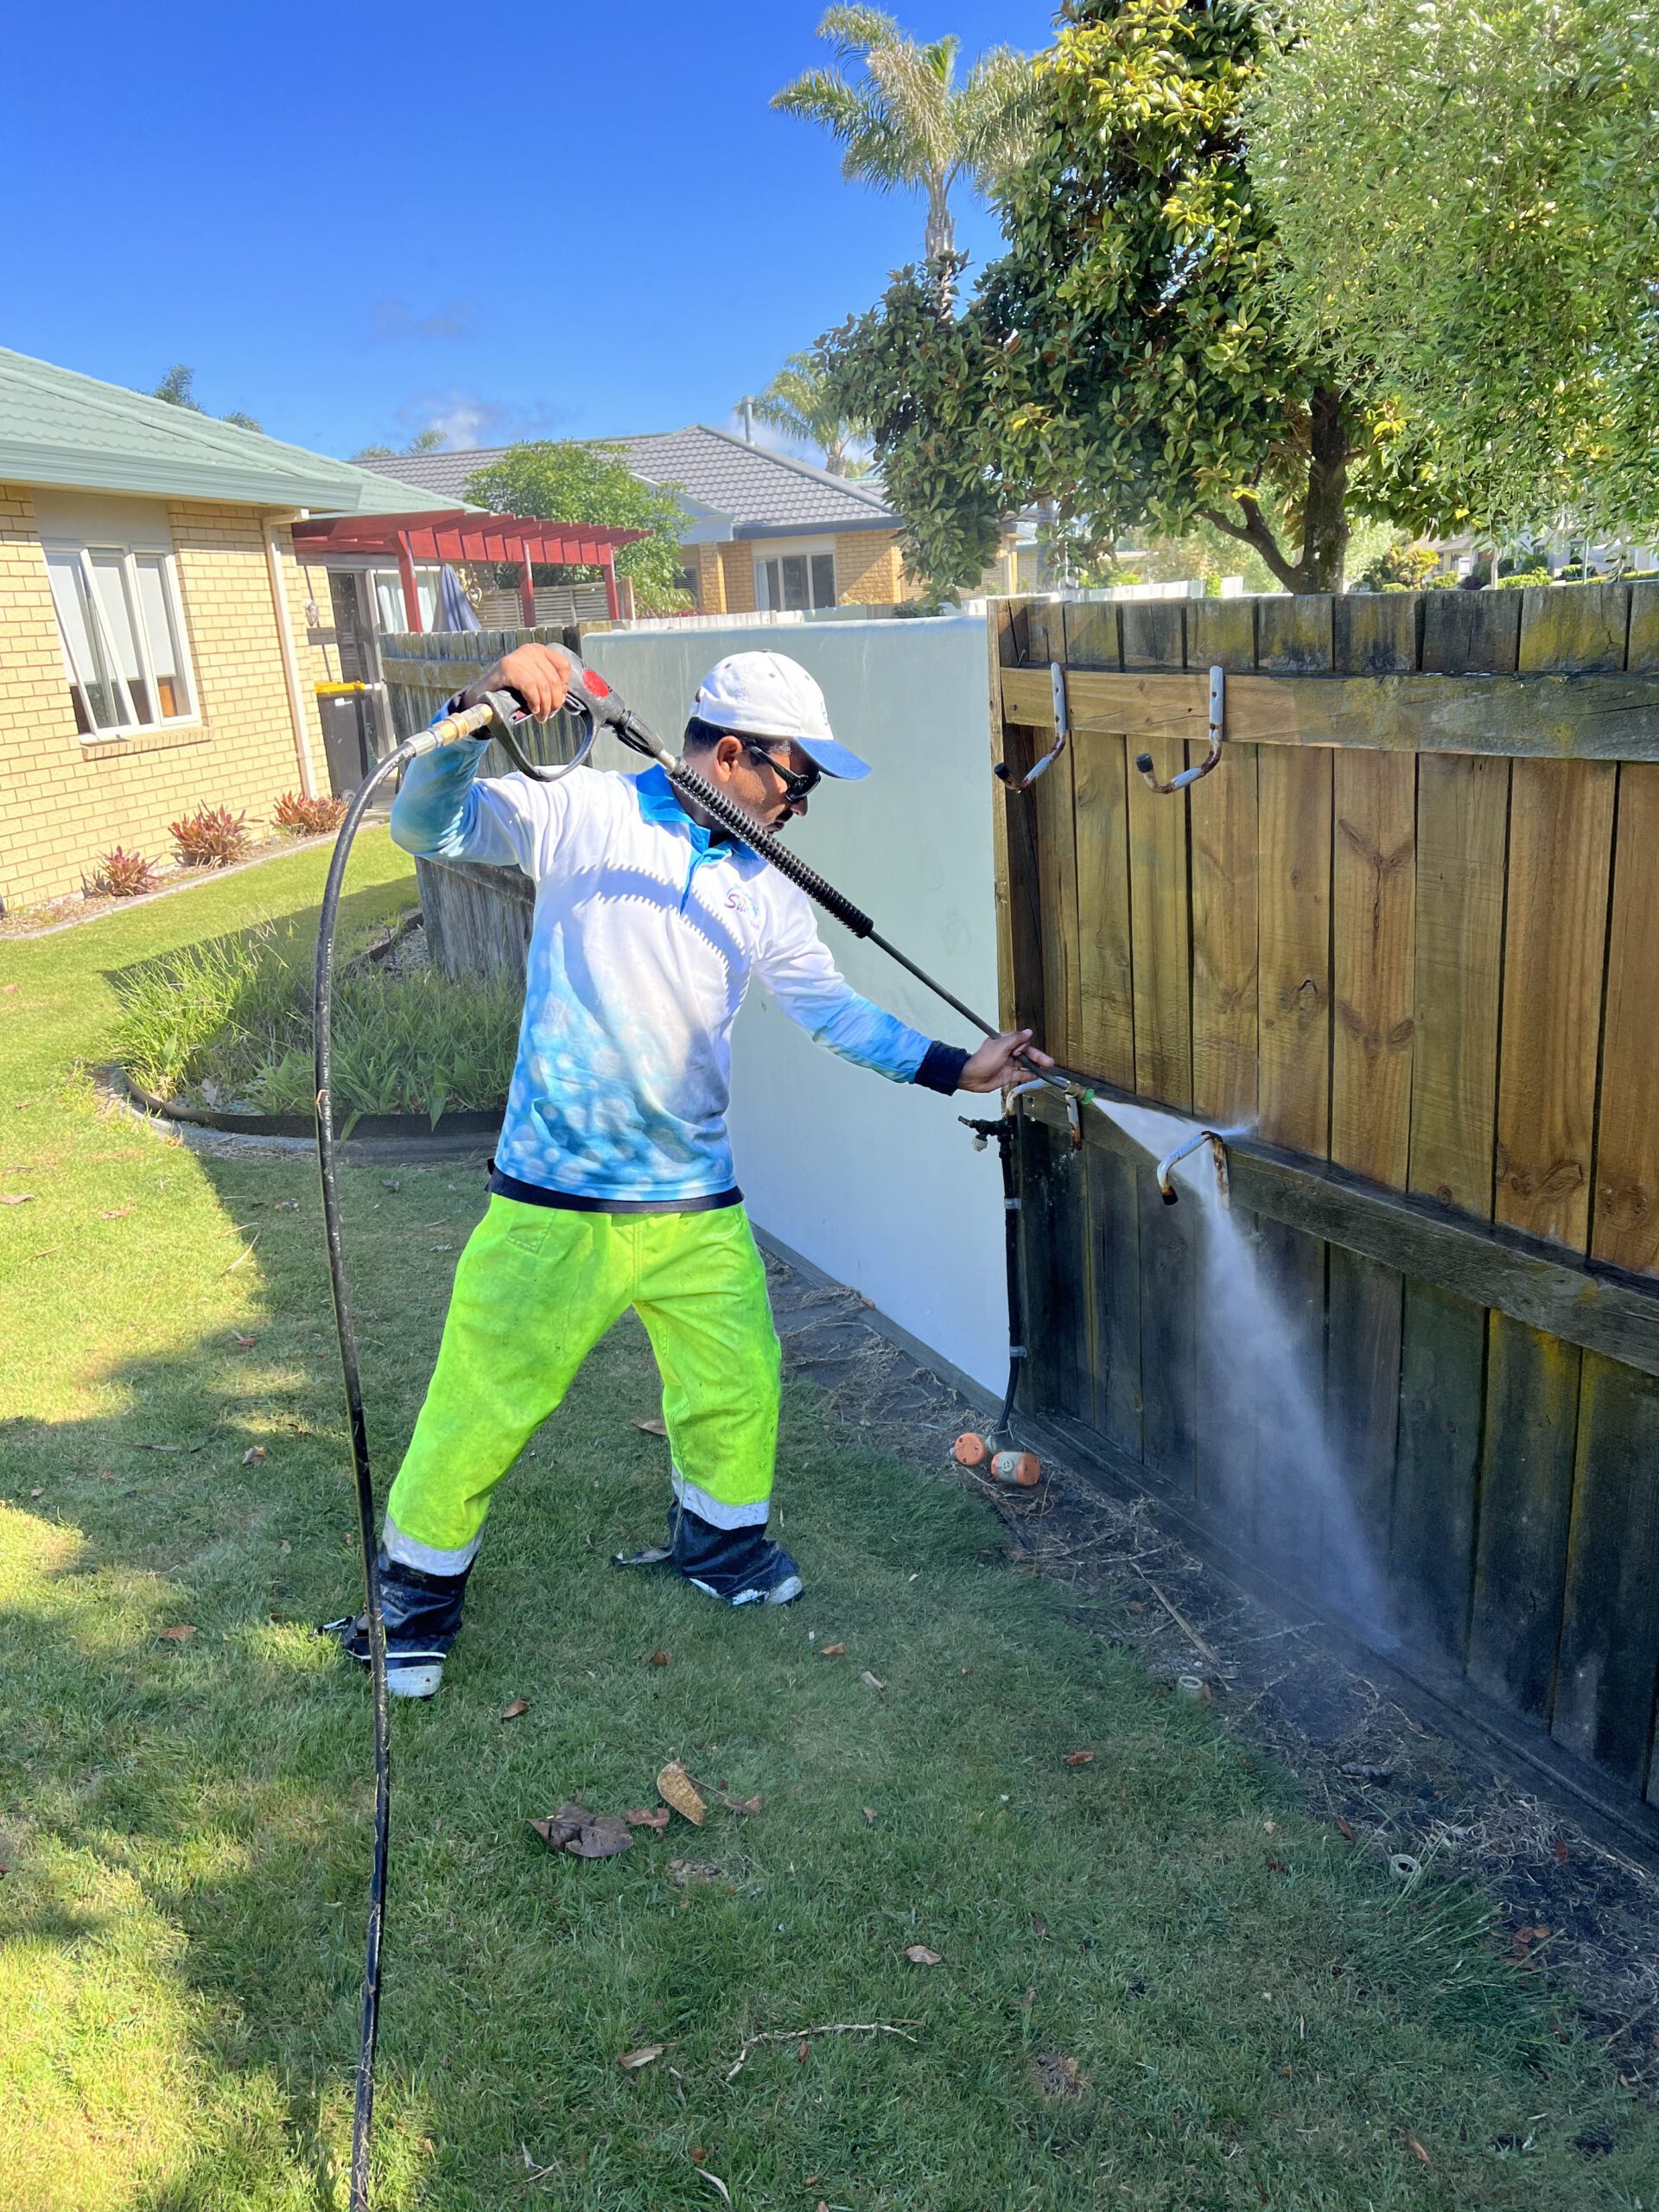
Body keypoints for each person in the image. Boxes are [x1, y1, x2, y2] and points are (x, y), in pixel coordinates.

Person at [326, 643, 1049, 1697]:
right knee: (482, 1401)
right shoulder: (586, 812)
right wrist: (476, 713)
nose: (804, 805)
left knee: (737, 1381)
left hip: (694, 1200)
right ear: (738, 754)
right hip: (558, 1197)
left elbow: (829, 1009)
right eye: (798, 779)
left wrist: (956, 1067)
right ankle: (413, 1608)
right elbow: (424, 826)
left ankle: (721, 1549)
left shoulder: (762, 881)